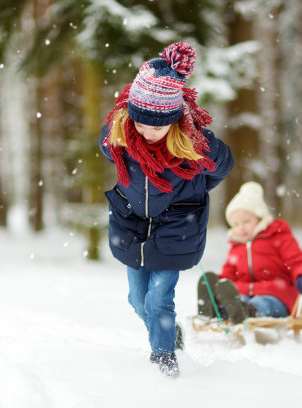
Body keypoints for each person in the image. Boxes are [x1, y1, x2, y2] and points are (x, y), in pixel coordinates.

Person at [99, 42, 233, 377]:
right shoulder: (124, 137)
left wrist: (196, 187)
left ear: (173, 122)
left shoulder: (190, 145)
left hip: (175, 228)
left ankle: (163, 358)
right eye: (141, 124)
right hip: (133, 227)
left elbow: (221, 167)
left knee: (159, 300)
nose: (147, 132)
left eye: (156, 127)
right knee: (137, 300)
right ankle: (168, 334)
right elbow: (105, 142)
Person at [197, 181, 302, 325]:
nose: (241, 228)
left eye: (246, 221)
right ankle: (217, 308)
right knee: (238, 300)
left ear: (259, 218)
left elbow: (297, 260)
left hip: (276, 293)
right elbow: (230, 274)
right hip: (245, 294)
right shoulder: (237, 245)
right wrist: (219, 283)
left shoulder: (277, 236)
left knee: (264, 303)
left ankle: (249, 311)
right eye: (236, 224)